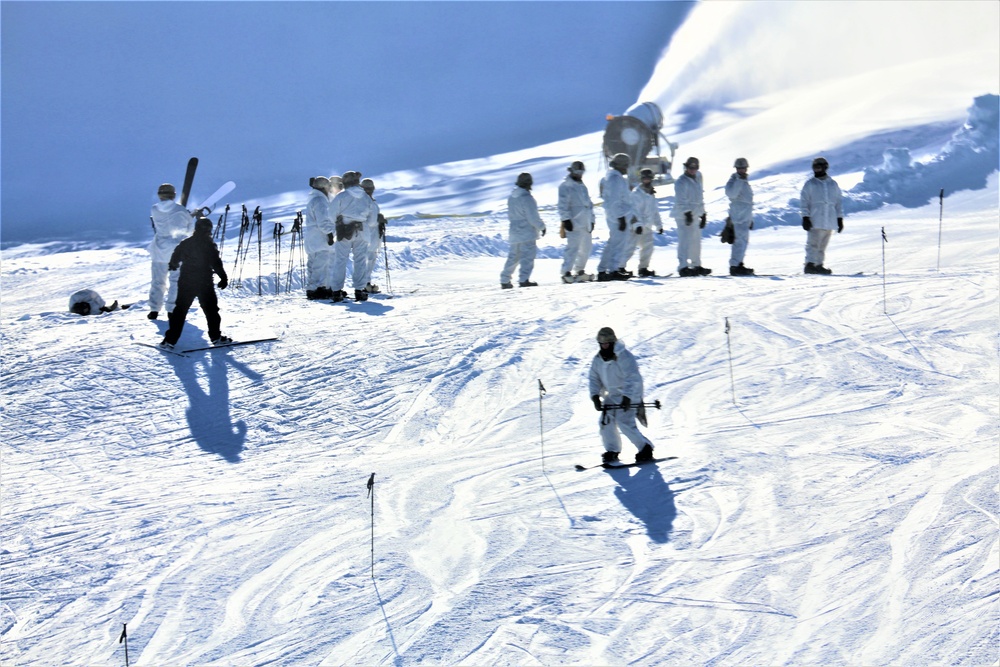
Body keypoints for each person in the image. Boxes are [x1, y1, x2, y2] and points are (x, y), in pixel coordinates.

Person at [160, 217, 230, 349]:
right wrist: (223, 278)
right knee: (211, 311)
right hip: (204, 283)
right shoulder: (209, 245)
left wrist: (173, 264)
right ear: (209, 230)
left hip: (186, 282)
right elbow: (216, 263)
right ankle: (216, 337)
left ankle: (169, 341)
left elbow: (175, 256)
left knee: (180, 312)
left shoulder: (186, 243)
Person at [589, 327, 654, 465]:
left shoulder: (624, 356)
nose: (603, 346)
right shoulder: (598, 359)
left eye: (606, 344)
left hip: (629, 394)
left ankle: (645, 448)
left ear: (612, 342)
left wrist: (628, 396)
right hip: (612, 395)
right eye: (601, 344)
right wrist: (595, 396)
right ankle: (612, 450)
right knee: (605, 422)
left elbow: (632, 377)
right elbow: (594, 378)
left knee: (624, 422)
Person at [148, 183, 194, 319]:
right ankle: (171, 309)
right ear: (173, 195)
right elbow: (190, 229)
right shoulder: (181, 210)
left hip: (159, 250)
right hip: (177, 251)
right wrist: (190, 215)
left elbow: (168, 214)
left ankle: (154, 309)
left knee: (157, 281)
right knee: (175, 281)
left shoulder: (154, 209)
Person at [330, 171, 373, 302]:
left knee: (340, 261)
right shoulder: (366, 197)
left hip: (344, 230)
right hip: (362, 230)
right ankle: (359, 291)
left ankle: (337, 291)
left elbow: (331, 215)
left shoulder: (341, 196)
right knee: (360, 261)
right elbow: (371, 219)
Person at [500, 172, 546, 288]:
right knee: (527, 257)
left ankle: (505, 279)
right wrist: (542, 227)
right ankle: (524, 279)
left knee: (513, 257)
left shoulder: (512, 197)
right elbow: (532, 217)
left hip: (514, 232)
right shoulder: (527, 198)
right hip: (527, 233)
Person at [800, 156, 844, 274]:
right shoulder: (810, 184)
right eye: (815, 167)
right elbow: (804, 201)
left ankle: (818, 265)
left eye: (819, 167)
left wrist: (839, 219)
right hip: (815, 218)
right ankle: (810, 264)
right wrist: (805, 217)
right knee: (813, 243)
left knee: (823, 244)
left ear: (825, 167)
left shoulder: (832, 184)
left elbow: (838, 202)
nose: (817, 169)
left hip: (829, 219)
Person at [596, 153, 636, 281]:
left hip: (619, 215)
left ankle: (604, 270)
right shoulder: (615, 179)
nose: (627, 168)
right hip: (618, 217)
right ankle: (612, 269)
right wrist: (621, 217)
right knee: (617, 243)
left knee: (614, 243)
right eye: (626, 165)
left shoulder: (616, 178)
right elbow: (615, 201)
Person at [557, 160, 595, 283]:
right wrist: (566, 219)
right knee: (573, 248)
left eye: (581, 171)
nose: (579, 174)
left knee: (586, 248)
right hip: (574, 223)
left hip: (585, 223)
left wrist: (592, 220)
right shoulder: (566, 186)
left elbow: (589, 205)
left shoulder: (582, 186)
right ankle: (565, 272)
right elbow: (563, 205)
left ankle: (579, 271)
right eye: (577, 171)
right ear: (572, 171)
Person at [672, 157, 710, 276]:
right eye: (690, 167)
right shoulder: (681, 182)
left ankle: (696, 265)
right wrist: (687, 213)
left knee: (696, 240)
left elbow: (699, 197)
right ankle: (683, 266)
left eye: (695, 167)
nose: (693, 170)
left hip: (695, 213)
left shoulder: (698, 177)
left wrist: (703, 214)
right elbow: (680, 200)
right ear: (686, 167)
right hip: (683, 215)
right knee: (685, 240)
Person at [624, 168, 664, 277]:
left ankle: (643, 268)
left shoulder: (651, 194)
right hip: (637, 227)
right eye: (644, 178)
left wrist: (659, 225)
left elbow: (654, 211)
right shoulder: (636, 194)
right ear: (641, 179)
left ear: (651, 179)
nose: (646, 180)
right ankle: (619, 267)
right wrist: (637, 225)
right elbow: (633, 211)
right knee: (630, 248)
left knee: (648, 247)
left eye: (648, 178)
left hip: (647, 227)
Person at [304, 176, 335, 300]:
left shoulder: (313, 199)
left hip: (312, 237)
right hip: (320, 238)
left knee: (313, 263)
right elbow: (323, 221)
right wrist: (330, 233)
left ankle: (314, 288)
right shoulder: (320, 201)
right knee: (320, 264)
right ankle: (317, 288)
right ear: (323, 187)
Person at [725, 157, 755, 275]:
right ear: (736, 169)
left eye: (744, 168)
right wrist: (739, 180)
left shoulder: (744, 181)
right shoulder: (733, 181)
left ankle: (739, 263)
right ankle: (734, 265)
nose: (742, 170)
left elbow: (748, 200)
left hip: (745, 216)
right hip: (738, 216)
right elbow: (732, 194)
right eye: (740, 168)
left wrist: (750, 218)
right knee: (739, 241)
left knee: (744, 241)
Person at [360, 178, 383, 294]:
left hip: (373, 235)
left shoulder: (372, 201)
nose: (369, 191)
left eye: (370, 188)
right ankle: (363, 284)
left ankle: (367, 282)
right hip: (366, 234)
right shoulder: (363, 201)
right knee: (365, 259)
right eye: (366, 188)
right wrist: (378, 220)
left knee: (371, 258)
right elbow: (369, 220)